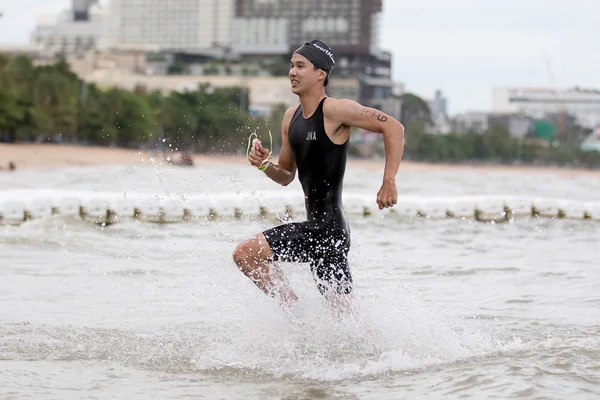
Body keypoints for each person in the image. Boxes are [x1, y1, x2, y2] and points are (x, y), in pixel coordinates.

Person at [232, 39, 405, 309]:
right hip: (324, 231)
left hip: (328, 229)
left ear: (320, 74)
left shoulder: (336, 110)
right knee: (344, 320)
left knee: (246, 253)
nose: (292, 71)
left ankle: (295, 314)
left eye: (301, 66)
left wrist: (389, 181)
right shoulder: (291, 117)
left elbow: (393, 127)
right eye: (291, 66)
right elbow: (287, 175)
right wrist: (265, 165)